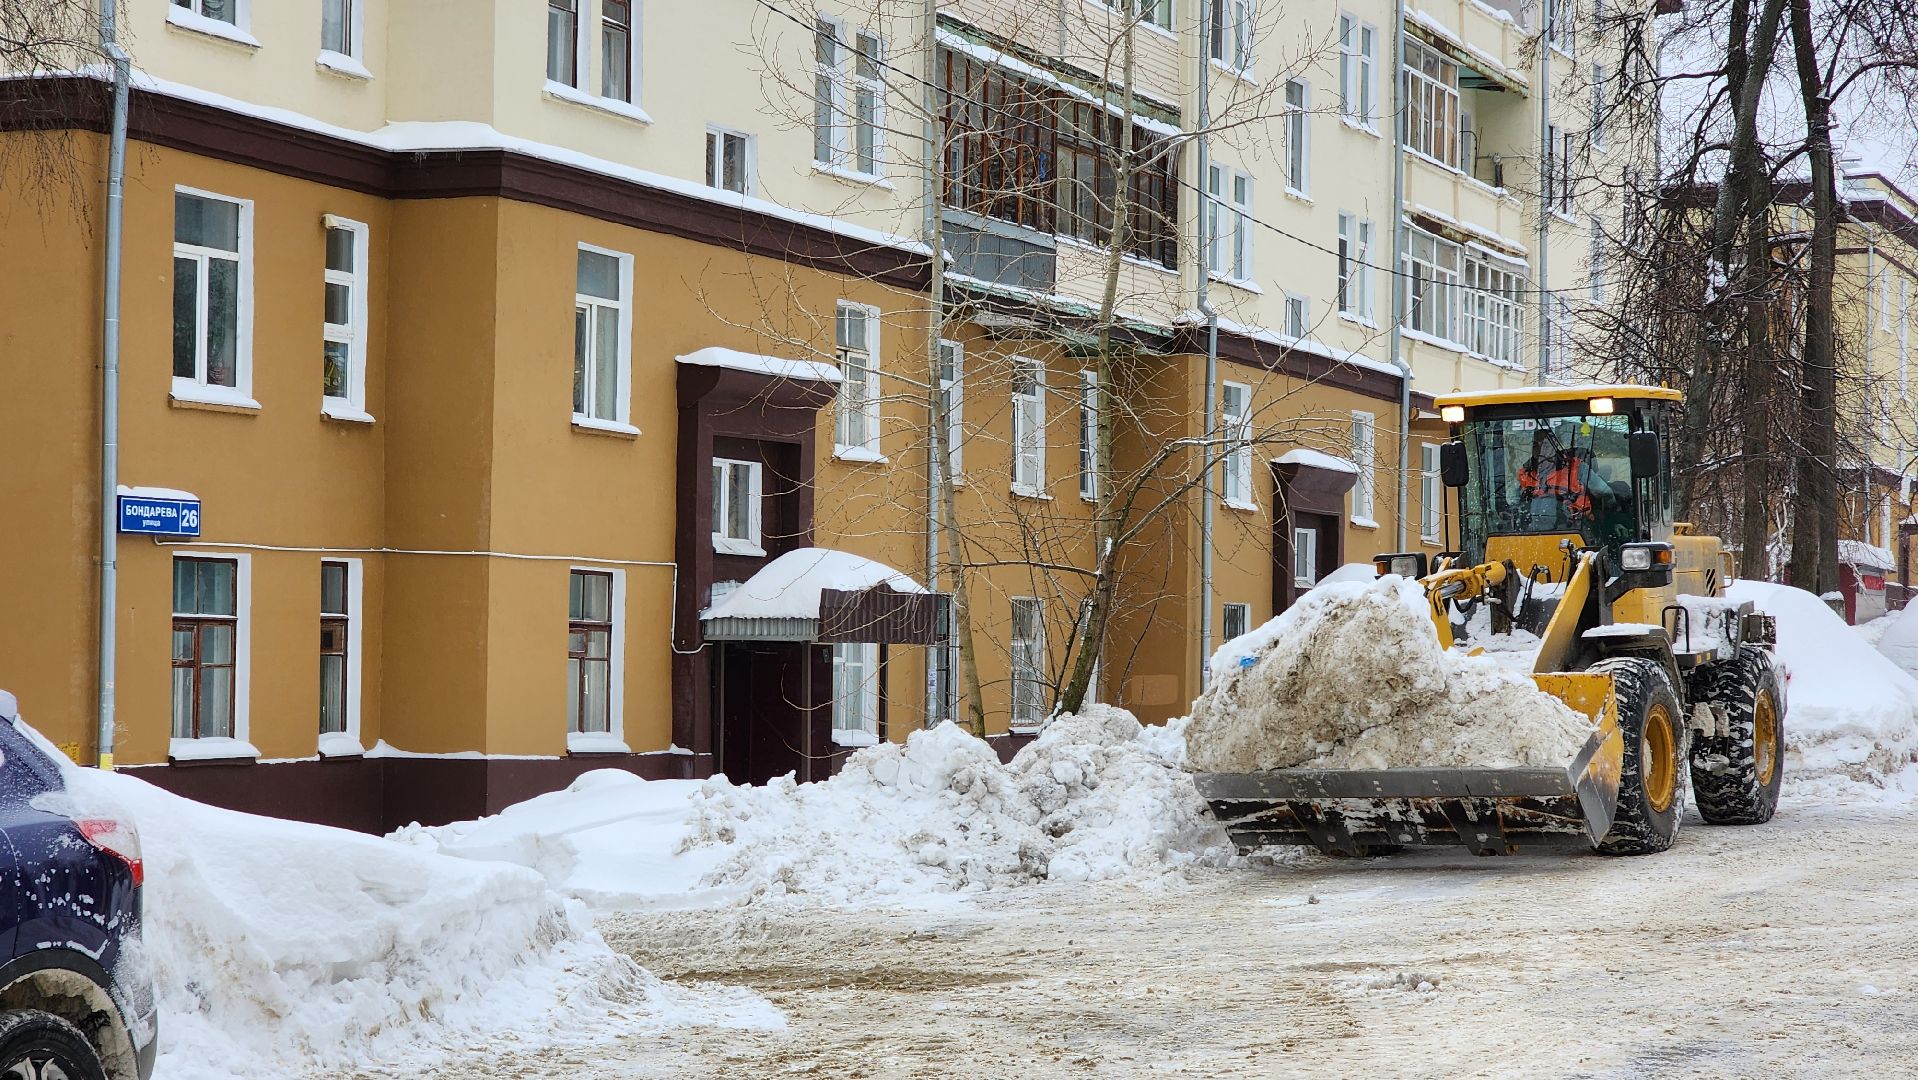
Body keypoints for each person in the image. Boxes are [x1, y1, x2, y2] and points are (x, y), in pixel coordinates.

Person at [1518, 426, 1605, 528]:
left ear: (1554, 446)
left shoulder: (1577, 469)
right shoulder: (1525, 474)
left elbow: (1605, 494)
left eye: (1545, 445)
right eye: (1535, 445)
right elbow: (1517, 504)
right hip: (1532, 532)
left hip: (1576, 528)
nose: (1540, 449)